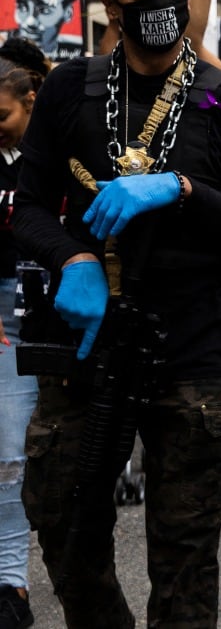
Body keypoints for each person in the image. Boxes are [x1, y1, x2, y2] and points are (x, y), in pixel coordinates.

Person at [11, 0, 221, 627]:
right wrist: (71, 259)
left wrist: (184, 188)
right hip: (83, 353)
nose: (158, 4)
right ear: (111, 3)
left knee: (185, 556)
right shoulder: (71, 90)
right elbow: (31, 203)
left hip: (193, 360)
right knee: (66, 528)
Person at [0, 38, 48, 629]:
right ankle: (11, 584)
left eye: (3, 118)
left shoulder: (54, 151)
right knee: (7, 453)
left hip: (50, 303)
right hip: (3, 311)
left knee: (19, 453)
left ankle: (16, 580)